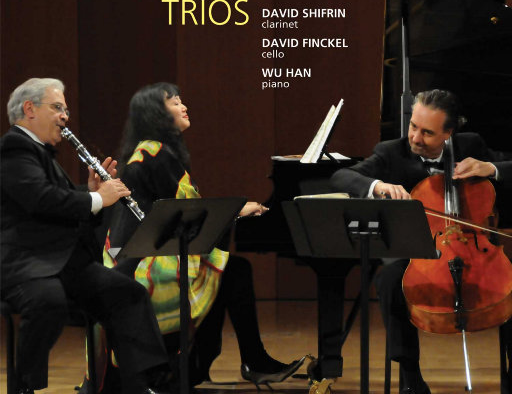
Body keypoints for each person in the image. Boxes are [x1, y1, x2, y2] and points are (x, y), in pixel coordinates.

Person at [100, 82, 304, 389]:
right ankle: (222, 363)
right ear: (156, 114)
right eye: (175, 103)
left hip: (146, 257)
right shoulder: (154, 154)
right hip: (139, 266)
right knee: (233, 272)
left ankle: (214, 362)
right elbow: (187, 213)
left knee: (233, 271)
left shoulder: (154, 152)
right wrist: (236, 211)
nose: (184, 107)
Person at [330, 89, 512, 394]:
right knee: (390, 280)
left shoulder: (471, 145)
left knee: (511, 282)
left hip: (473, 247)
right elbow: (341, 177)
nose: (415, 137)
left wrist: (490, 168)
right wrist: (378, 185)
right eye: (413, 126)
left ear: (448, 133)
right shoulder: (391, 152)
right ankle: (410, 378)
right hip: (417, 250)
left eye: (427, 132)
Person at [0, 78, 175, 394]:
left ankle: (138, 384)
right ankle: (23, 386)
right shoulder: (14, 148)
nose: (65, 117)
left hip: (63, 262)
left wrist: (92, 191)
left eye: (66, 110)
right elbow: (41, 199)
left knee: (128, 294)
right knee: (48, 302)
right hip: (28, 264)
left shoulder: (39, 152)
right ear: (29, 109)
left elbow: (60, 202)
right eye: (57, 108)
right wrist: (97, 198)